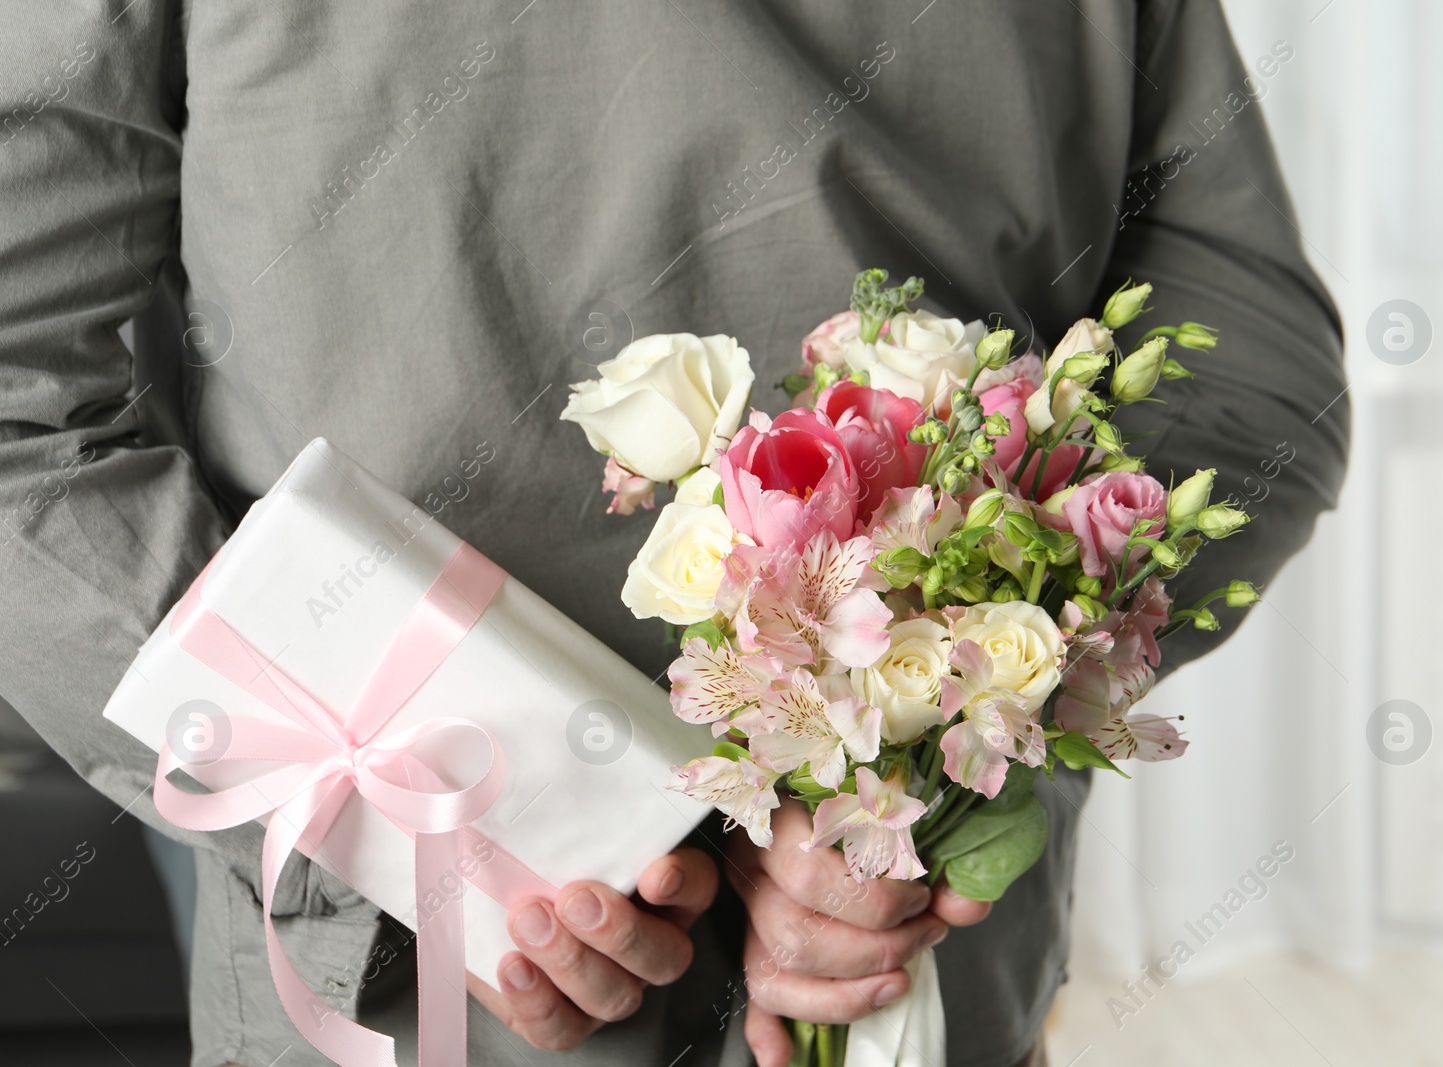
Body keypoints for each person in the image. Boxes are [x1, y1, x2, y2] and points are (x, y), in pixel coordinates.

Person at [0, 1, 1348, 1064]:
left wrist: (461, 841)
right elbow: (1252, 384)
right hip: (890, 983)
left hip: (447, 997)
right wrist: (904, 773)